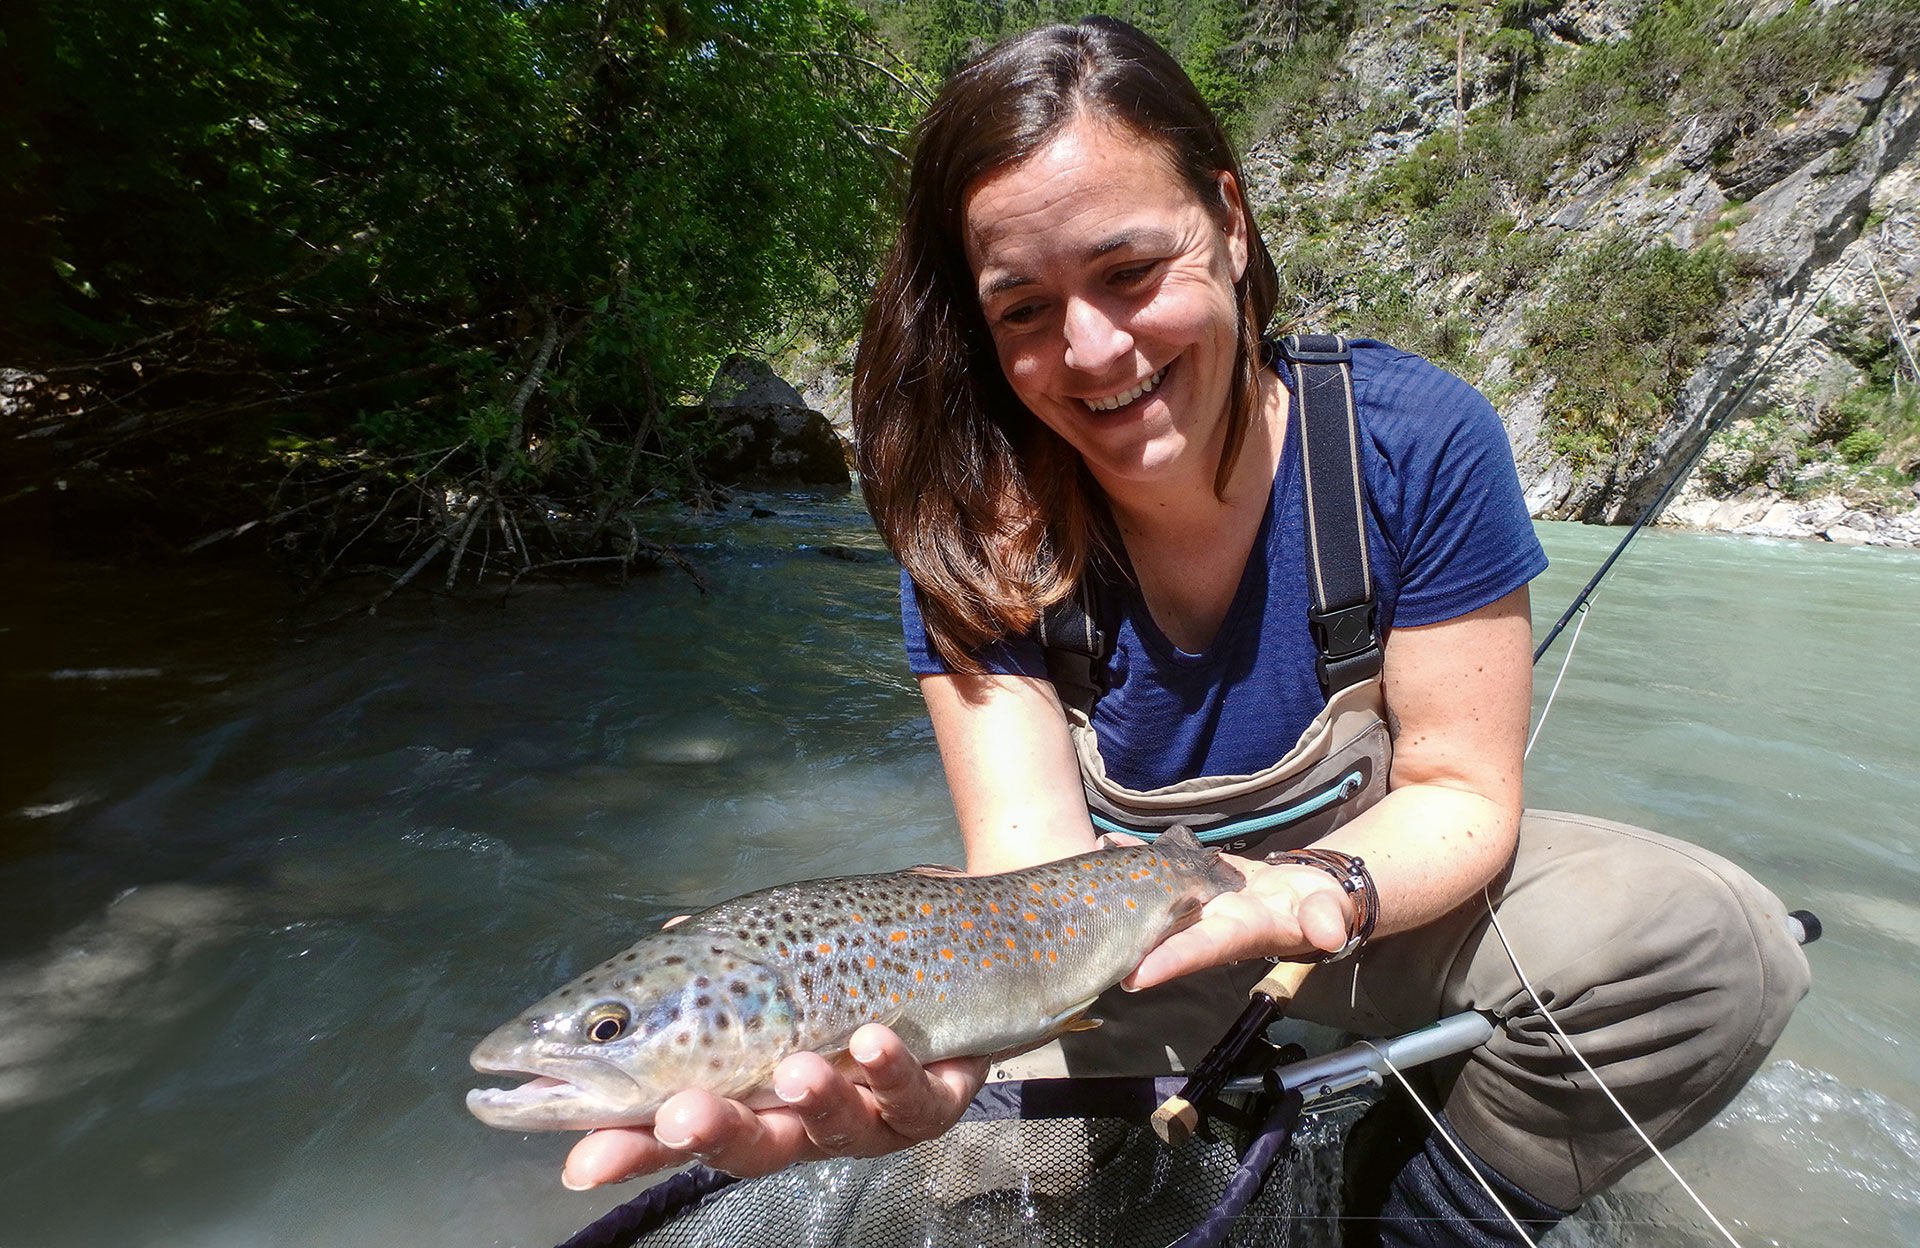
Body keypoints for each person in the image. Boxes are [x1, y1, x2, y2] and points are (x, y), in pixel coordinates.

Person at [561, 17, 1810, 1245]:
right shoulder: (970, 531)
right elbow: (1028, 874)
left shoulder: (1408, 441)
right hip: (1108, 951)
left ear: (1229, 217)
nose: (1092, 351)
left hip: (1379, 896)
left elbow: (1461, 790)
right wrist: (945, 1048)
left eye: (1129, 272)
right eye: (1023, 310)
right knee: (990, 1194)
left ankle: (1423, 1214)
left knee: (1709, 950)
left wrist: (1309, 891)